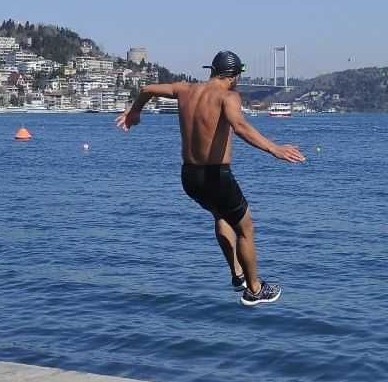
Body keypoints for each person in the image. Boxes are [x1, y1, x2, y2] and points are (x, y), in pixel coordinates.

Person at [115, 50, 306, 306]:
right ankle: (255, 289)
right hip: (217, 176)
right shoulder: (228, 96)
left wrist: (134, 112)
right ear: (234, 76)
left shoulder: (184, 89)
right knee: (246, 229)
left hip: (189, 177)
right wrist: (274, 148)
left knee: (220, 215)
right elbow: (240, 126)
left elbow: (148, 88)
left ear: (212, 71)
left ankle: (236, 274)